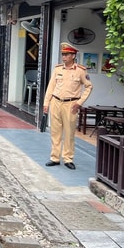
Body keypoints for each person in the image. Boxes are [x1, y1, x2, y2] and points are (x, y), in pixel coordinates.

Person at [43, 42, 93, 170]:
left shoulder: (80, 71)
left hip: (71, 104)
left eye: (66, 54)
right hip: (56, 101)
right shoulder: (58, 69)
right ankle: (54, 157)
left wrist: (79, 103)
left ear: (73, 55)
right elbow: (51, 87)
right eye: (63, 54)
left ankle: (68, 158)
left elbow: (88, 87)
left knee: (69, 133)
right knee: (55, 132)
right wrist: (46, 103)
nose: (63, 57)